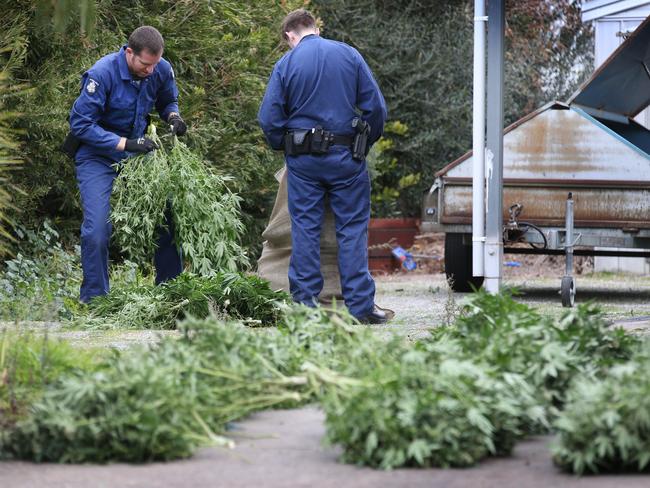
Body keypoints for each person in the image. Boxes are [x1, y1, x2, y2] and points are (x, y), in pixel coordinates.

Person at [258, 9, 389, 324]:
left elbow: (268, 119)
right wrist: (363, 144)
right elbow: (377, 109)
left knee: (305, 230)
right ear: (314, 29)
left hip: (304, 164)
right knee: (352, 230)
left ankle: (305, 306)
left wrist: (286, 147)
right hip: (347, 159)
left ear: (290, 35)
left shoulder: (286, 64)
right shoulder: (348, 54)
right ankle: (360, 308)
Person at [68, 26, 187, 303]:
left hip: (136, 151)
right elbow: (81, 125)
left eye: (154, 65)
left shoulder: (160, 68)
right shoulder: (102, 73)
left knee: (168, 214)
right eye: (145, 65)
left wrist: (173, 117)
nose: (150, 71)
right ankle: (95, 301)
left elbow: (167, 99)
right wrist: (125, 144)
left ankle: (170, 295)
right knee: (97, 229)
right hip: (97, 155)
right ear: (129, 52)